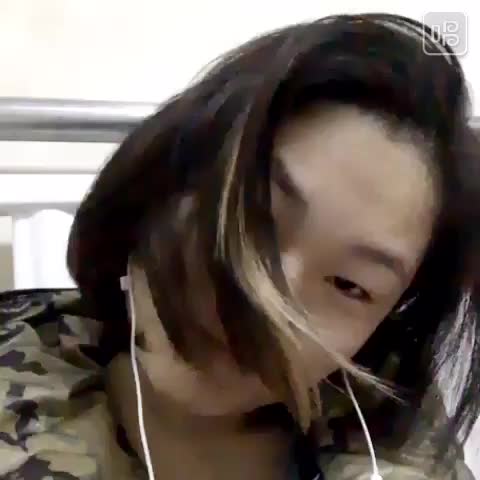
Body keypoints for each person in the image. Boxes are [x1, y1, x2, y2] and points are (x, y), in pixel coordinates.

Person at [0, 12, 479, 480]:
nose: (268, 304)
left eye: (349, 284)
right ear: (166, 176)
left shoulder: (405, 446)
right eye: (253, 216)